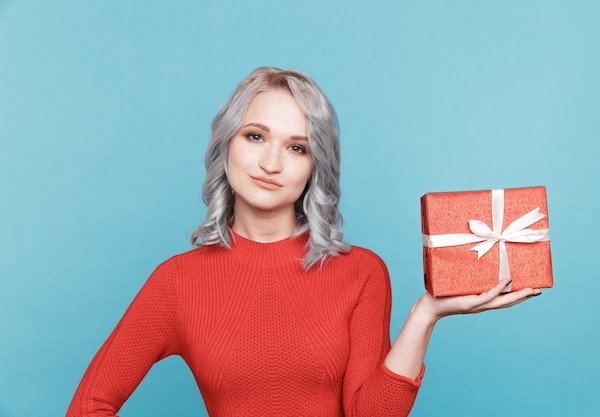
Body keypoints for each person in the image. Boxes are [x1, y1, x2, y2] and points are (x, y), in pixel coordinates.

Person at [66, 67, 541, 417]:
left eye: (297, 147)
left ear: (317, 166)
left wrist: (425, 316)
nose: (271, 163)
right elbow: (90, 405)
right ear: (226, 145)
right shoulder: (177, 281)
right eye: (255, 136)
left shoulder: (361, 272)